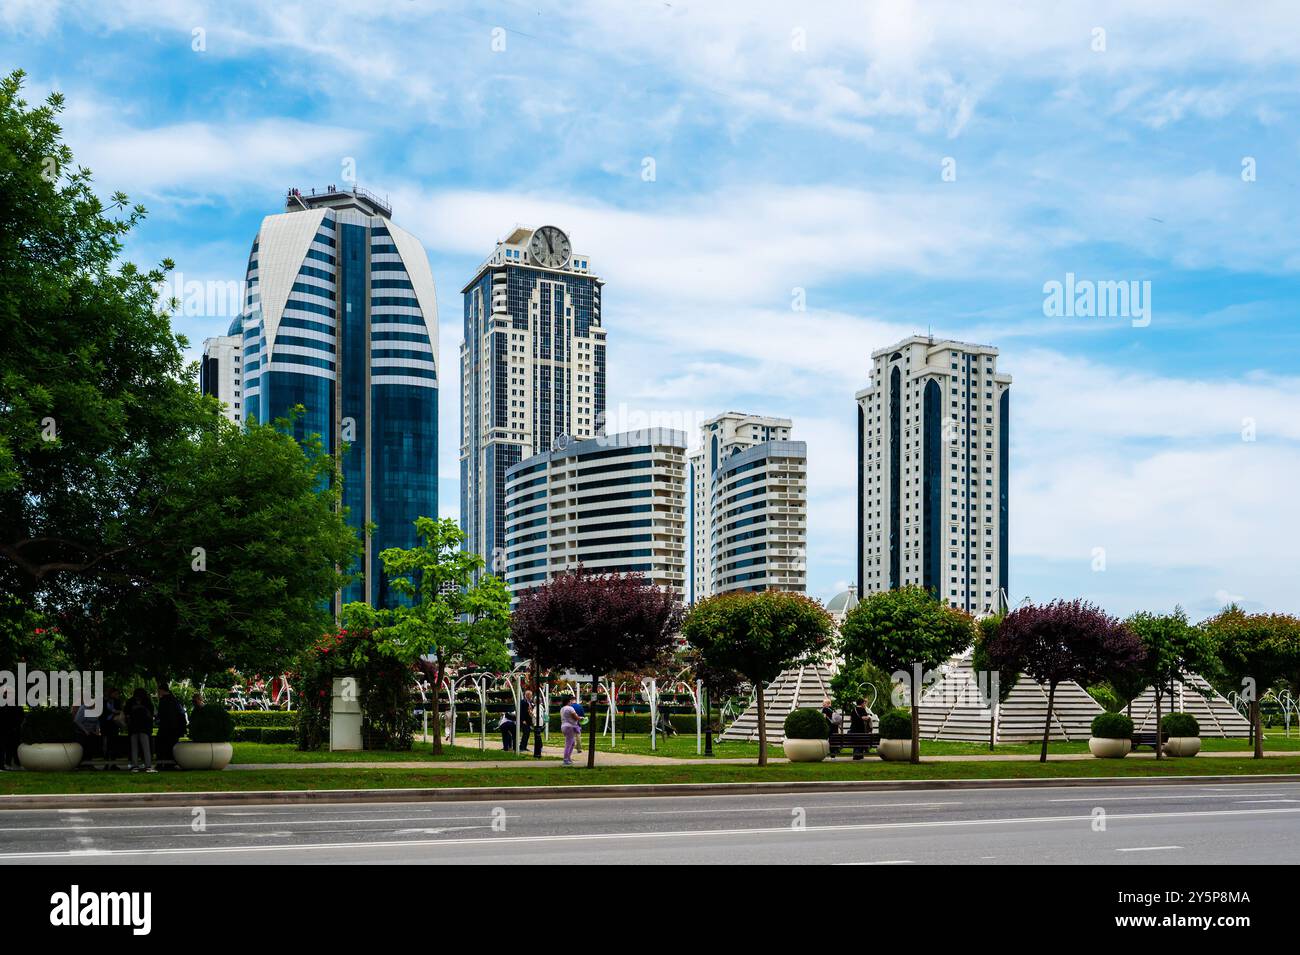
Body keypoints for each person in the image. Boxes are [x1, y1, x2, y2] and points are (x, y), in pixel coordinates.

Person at [156, 685, 187, 770]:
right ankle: (170, 764)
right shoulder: (175, 700)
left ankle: (161, 763)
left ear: (162, 690)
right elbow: (181, 713)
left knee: (161, 745)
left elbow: (161, 715)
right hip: (174, 728)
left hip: (165, 727)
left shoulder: (163, 701)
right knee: (171, 746)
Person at [126, 688, 157, 773]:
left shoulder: (130, 702)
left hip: (133, 727)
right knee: (146, 747)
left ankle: (135, 766)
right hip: (144, 727)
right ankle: (148, 766)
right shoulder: (147, 702)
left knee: (134, 748)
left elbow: (127, 715)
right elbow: (151, 715)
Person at [99, 688, 124, 770]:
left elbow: (120, 710)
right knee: (106, 744)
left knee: (113, 743)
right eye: (115, 693)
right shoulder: (103, 701)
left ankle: (113, 763)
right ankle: (106, 764)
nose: (117, 695)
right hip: (105, 724)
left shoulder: (117, 701)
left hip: (114, 724)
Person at [73, 700, 101, 767]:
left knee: (90, 748)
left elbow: (97, 721)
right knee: (82, 749)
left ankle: (89, 765)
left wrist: (97, 730)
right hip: (81, 731)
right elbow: (77, 721)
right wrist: (85, 730)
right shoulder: (83, 709)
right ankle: (80, 765)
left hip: (91, 731)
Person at [0, 701, 22, 771]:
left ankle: (8, 763)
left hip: (10, 729)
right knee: (7, 747)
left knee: (9, 747)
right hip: (9, 729)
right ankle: (6, 764)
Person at [559, 694, 580, 766]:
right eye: (571, 700)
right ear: (568, 701)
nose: (571, 701)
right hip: (570, 727)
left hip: (564, 726)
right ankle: (566, 759)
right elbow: (575, 717)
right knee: (569, 743)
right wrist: (581, 718)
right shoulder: (570, 708)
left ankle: (568, 757)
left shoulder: (562, 709)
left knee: (572, 743)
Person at [518, 690, 535, 755]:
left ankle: (524, 746)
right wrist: (523, 720)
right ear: (527, 695)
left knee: (527, 734)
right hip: (524, 721)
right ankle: (522, 746)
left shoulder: (530, 702)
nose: (532, 696)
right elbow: (521, 712)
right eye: (531, 695)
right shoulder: (523, 702)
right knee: (525, 733)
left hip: (528, 720)